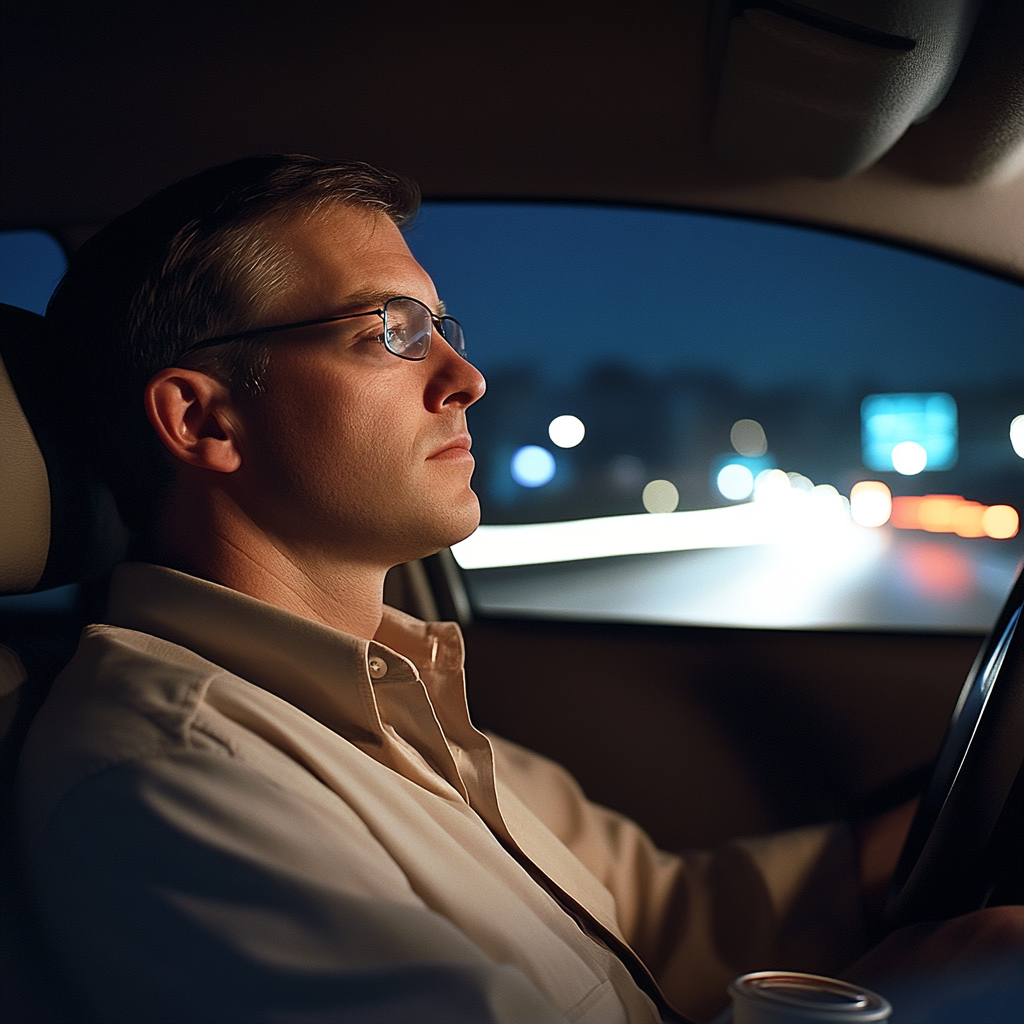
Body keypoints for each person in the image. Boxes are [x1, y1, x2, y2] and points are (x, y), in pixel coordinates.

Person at [15, 155, 1022, 1024]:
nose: (467, 376)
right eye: (389, 332)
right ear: (204, 422)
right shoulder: (171, 780)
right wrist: (901, 998)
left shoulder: (389, 691)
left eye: (440, 326)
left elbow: (668, 915)